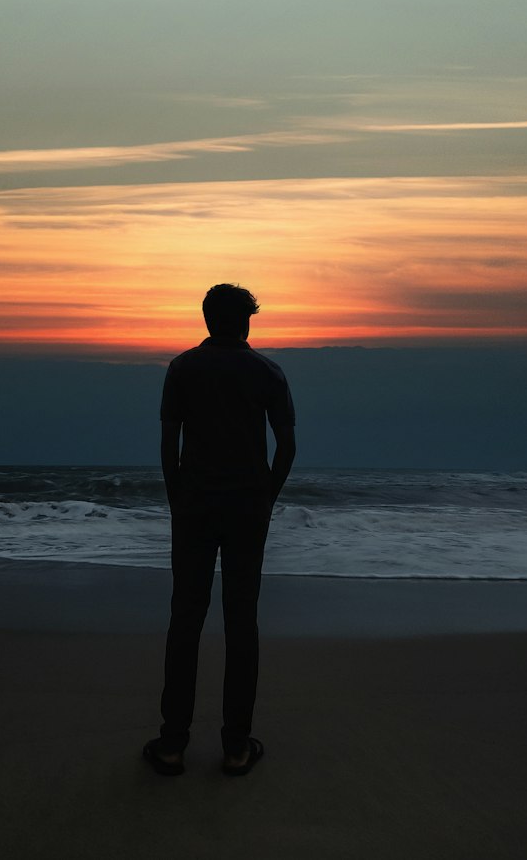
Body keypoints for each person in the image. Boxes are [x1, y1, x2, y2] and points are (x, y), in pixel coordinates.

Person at [143, 283, 296, 777]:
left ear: (207, 320)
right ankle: (235, 746)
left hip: (195, 505)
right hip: (247, 507)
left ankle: (172, 743)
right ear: (245, 322)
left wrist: (177, 499)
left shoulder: (182, 369)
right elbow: (287, 447)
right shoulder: (267, 372)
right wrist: (265, 498)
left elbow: (170, 445)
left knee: (185, 619)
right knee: (240, 621)